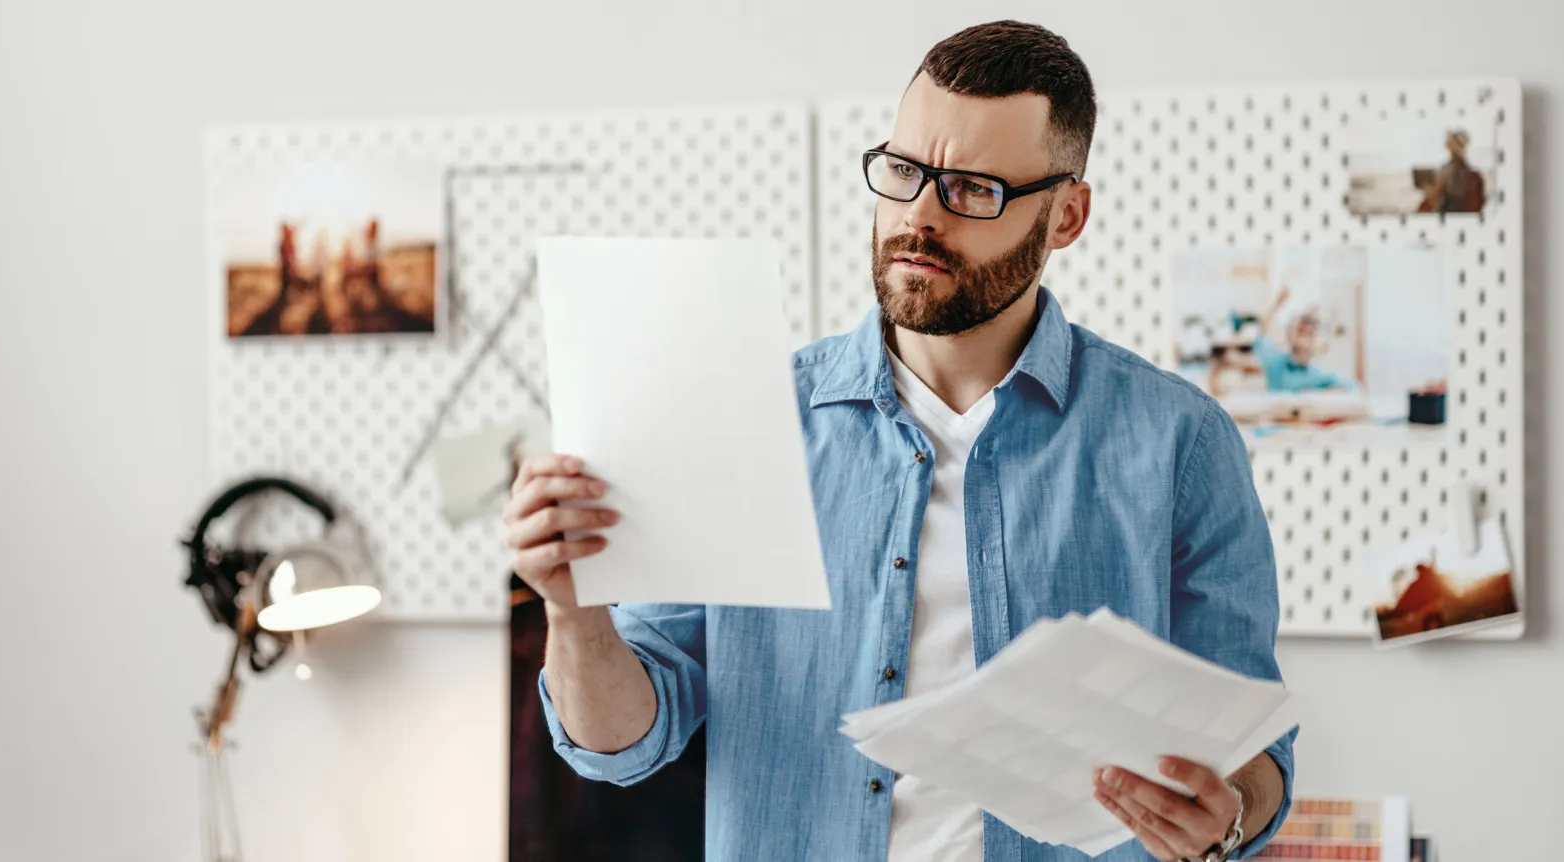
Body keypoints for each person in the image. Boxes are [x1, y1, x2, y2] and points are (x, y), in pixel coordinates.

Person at [504, 21, 1296, 862]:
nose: (919, 216)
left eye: (973, 189)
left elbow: (1253, 752)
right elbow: (623, 744)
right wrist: (573, 609)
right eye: (904, 171)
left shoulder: (1180, 442)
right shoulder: (743, 416)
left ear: (1066, 216)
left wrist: (1229, 816)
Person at [1253, 287, 1356, 393]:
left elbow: (1353, 388)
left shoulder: (1321, 374)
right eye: (1301, 330)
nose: (1306, 332)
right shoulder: (1274, 363)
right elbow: (1262, 333)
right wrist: (1277, 303)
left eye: (1310, 332)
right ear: (1288, 335)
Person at [1416, 129, 1484, 214]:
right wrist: (1429, 193)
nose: (1452, 146)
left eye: (1454, 144)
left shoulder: (1472, 176)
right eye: (1450, 143)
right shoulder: (1445, 169)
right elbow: (1437, 194)